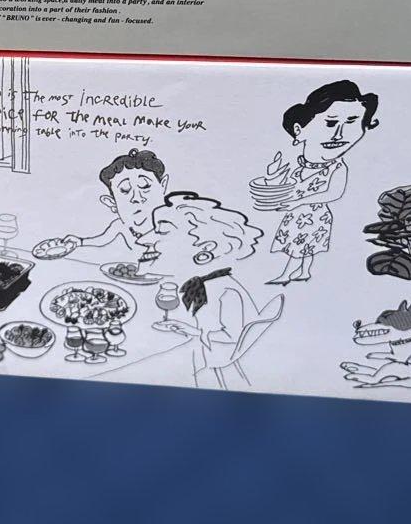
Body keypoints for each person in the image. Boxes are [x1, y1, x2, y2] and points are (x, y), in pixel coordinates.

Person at [136, 192, 277, 388]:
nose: (143, 240)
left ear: (205, 252)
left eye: (162, 231)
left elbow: (231, 337)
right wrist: (189, 329)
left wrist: (196, 333)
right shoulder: (207, 285)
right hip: (207, 355)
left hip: (215, 360)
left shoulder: (226, 291)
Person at [266, 79, 380, 285]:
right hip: (297, 214)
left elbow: (333, 193)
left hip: (314, 216)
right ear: (299, 130)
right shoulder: (299, 164)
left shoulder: (337, 167)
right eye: (330, 123)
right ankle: (302, 272)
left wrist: (298, 202)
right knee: (300, 246)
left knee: (301, 246)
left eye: (352, 122)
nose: (339, 135)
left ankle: (290, 273)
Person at [61, 148, 169, 258]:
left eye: (145, 186)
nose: (136, 197)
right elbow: (101, 240)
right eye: (125, 190)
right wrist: (80, 242)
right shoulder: (120, 225)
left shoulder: (170, 222)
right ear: (112, 202)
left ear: (163, 186)